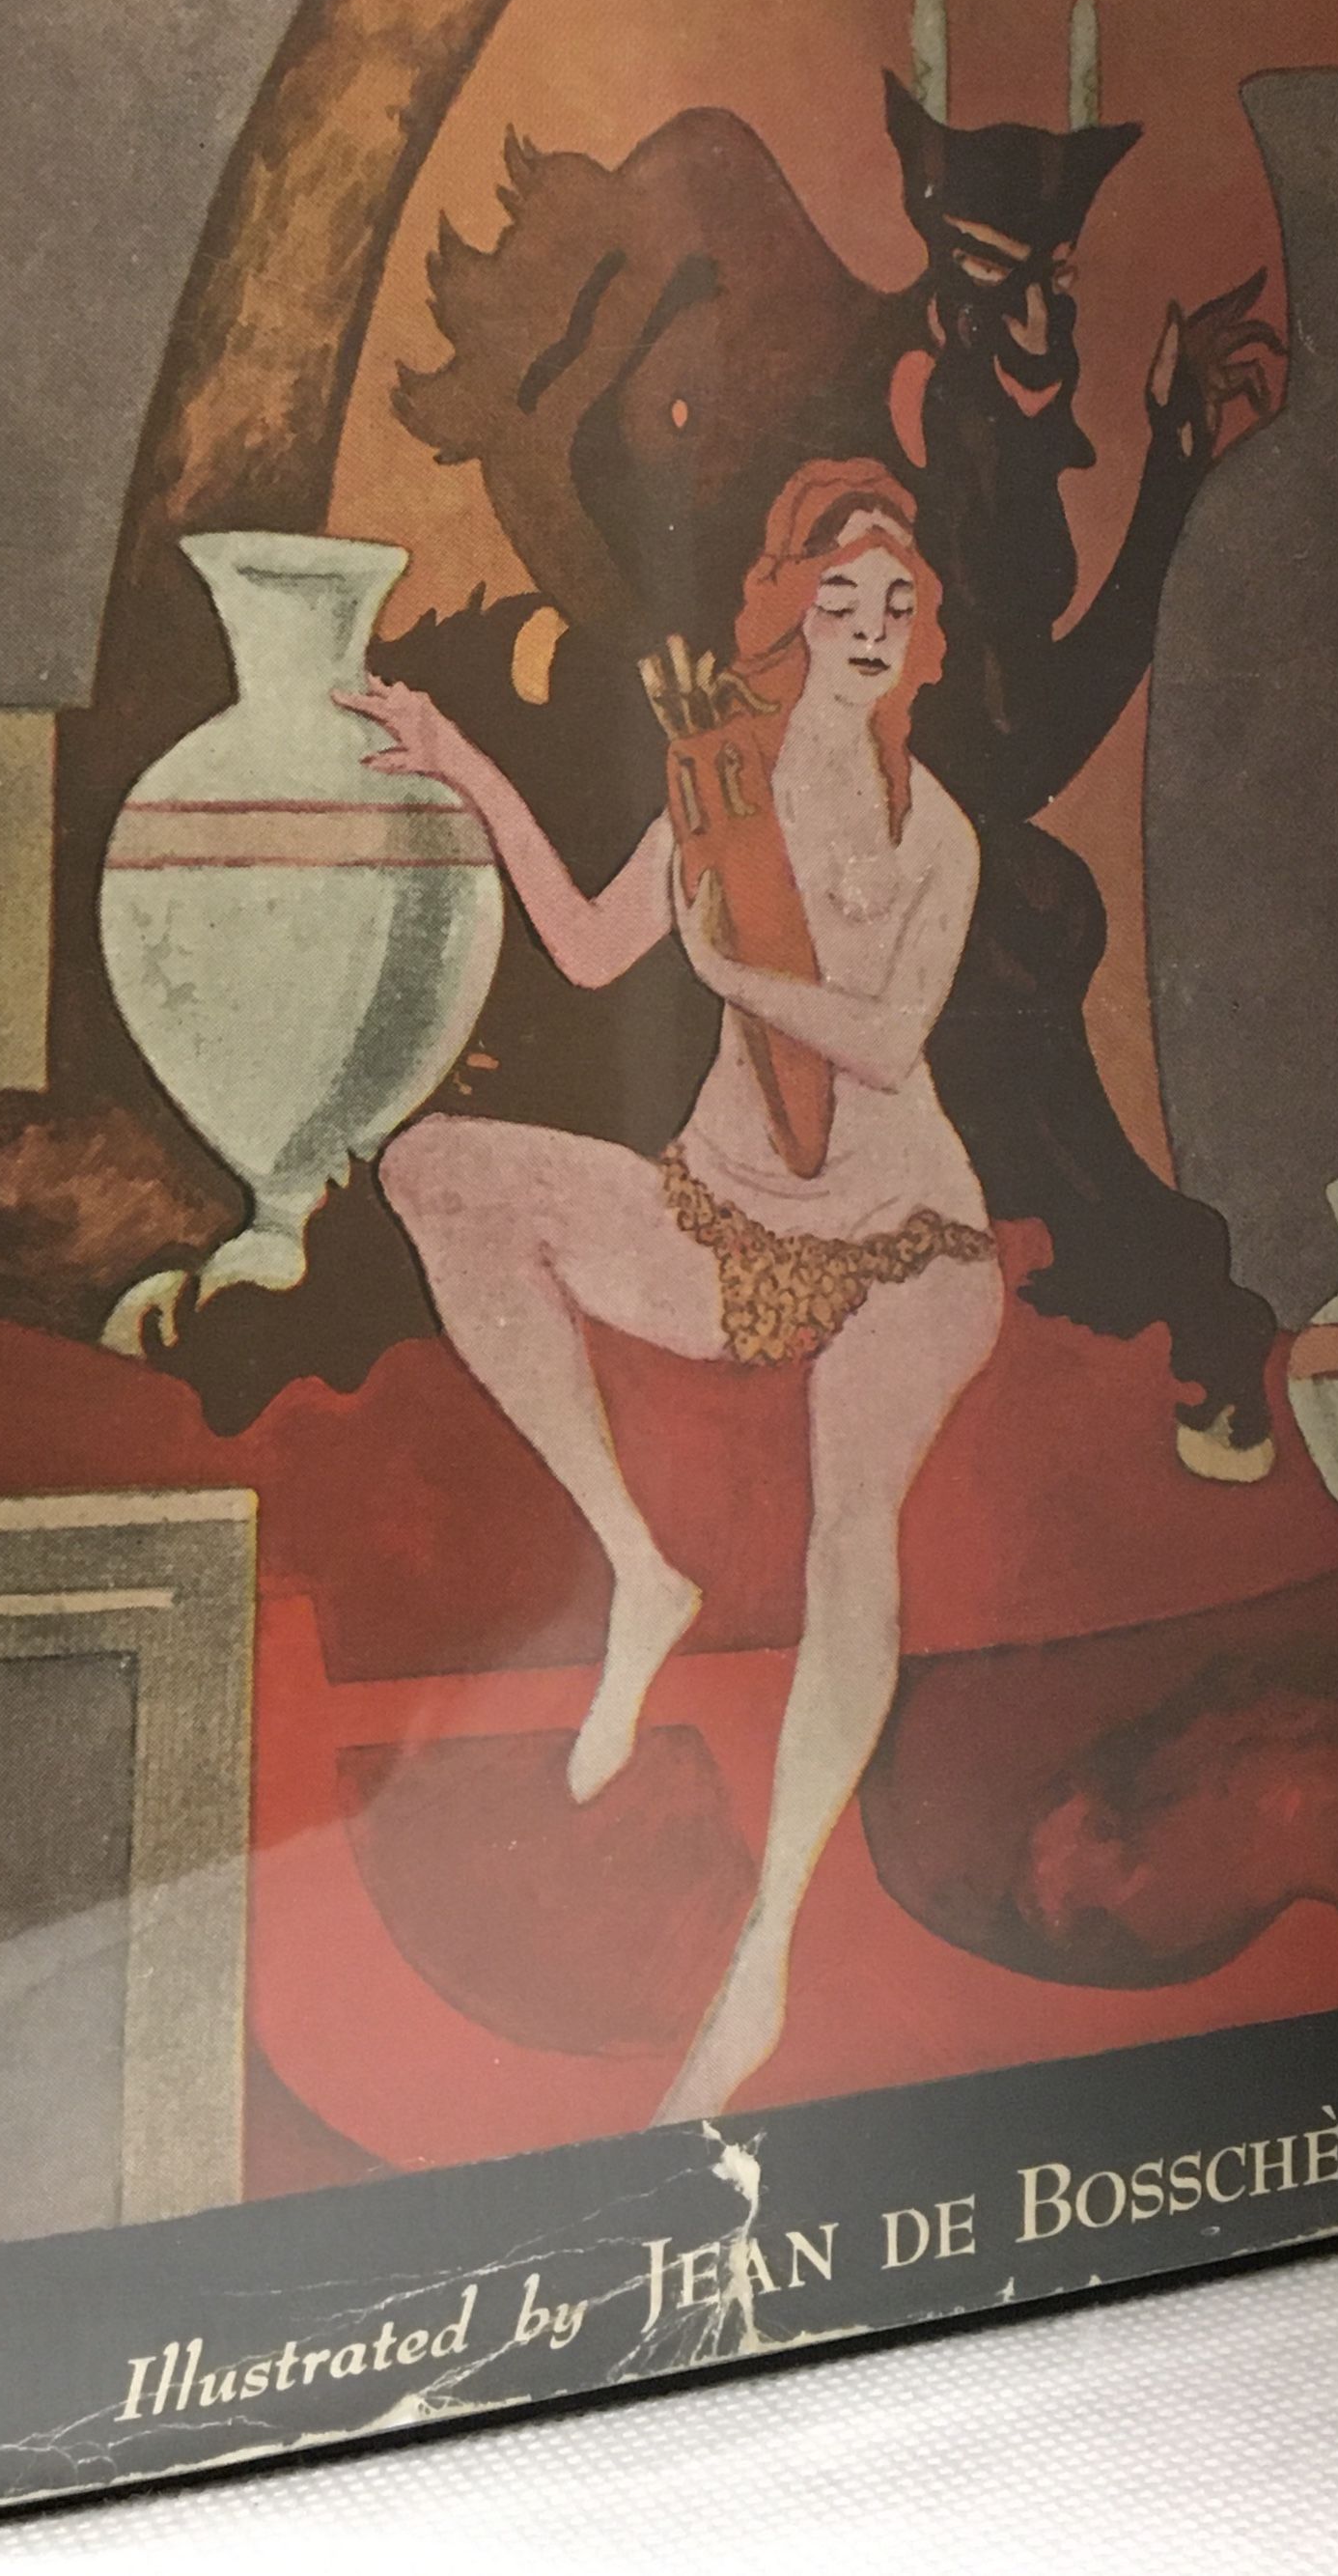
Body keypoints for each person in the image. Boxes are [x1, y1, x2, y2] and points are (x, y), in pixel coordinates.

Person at [340, 461, 1004, 2122]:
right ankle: (639, 1567)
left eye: (898, 604)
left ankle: (763, 1955)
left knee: (852, 1534)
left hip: (910, 1241)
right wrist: (462, 762)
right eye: (839, 600)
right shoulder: (721, 786)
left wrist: (730, 973)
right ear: (788, 616)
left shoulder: (938, 830)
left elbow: (887, 1045)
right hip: (726, 1219)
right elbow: (581, 947)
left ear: (924, 634)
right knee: (437, 1173)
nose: (869, 628)